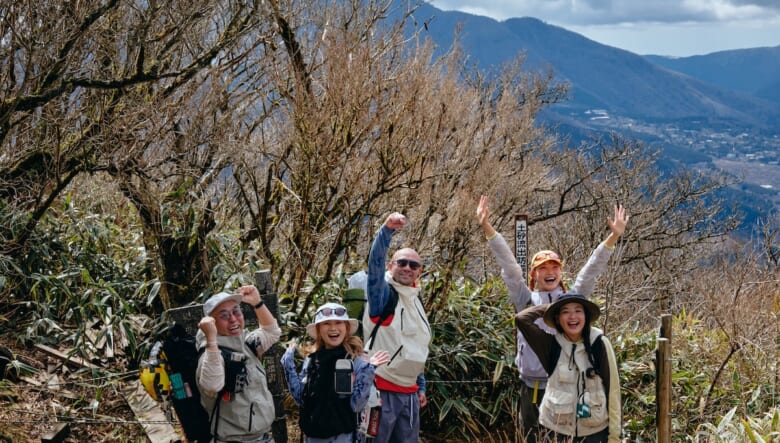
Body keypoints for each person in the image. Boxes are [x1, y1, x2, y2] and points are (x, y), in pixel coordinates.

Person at [476, 195, 627, 443]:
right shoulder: (525, 299)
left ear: (560, 271)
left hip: (562, 386)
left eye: (554, 267)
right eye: (543, 268)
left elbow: (590, 272)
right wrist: (488, 229)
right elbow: (511, 268)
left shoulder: (571, 303)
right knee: (530, 438)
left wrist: (612, 238)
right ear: (534, 274)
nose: (550, 272)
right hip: (528, 385)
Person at [363, 212, 432, 443]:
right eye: (401, 262)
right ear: (391, 265)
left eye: (414, 265)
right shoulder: (383, 296)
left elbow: (417, 347)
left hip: (410, 394)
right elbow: (374, 267)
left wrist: (420, 386)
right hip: (381, 390)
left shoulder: (416, 300)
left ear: (419, 271)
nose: (407, 268)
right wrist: (386, 231)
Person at [515, 293, 621, 442]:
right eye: (565, 312)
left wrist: (614, 436)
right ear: (557, 319)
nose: (572, 317)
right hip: (556, 432)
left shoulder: (599, 344)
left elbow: (613, 391)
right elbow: (522, 319)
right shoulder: (550, 345)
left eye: (578, 311)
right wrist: (551, 307)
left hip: (595, 433)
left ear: (587, 316)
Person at [281, 302, 391, 442]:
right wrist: (287, 364)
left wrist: (368, 371)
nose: (333, 328)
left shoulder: (355, 361)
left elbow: (357, 405)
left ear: (346, 327)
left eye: (338, 322)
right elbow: (300, 398)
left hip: (342, 437)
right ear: (319, 329)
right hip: (312, 437)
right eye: (326, 323)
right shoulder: (312, 360)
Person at [196, 286, 281, 443]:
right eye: (224, 315)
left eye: (236, 311)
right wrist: (211, 340)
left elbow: (272, 332)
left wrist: (257, 303)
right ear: (212, 324)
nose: (233, 319)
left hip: (263, 438)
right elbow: (213, 385)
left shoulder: (246, 344)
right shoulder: (211, 355)